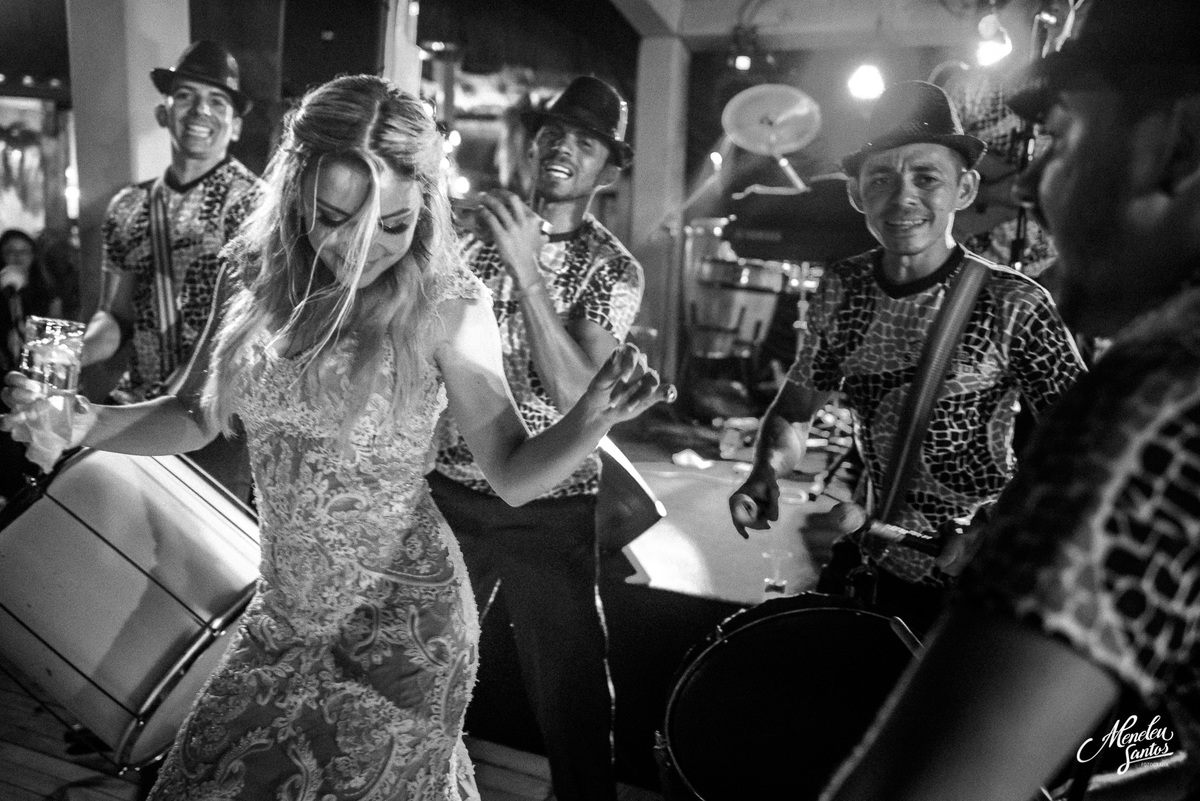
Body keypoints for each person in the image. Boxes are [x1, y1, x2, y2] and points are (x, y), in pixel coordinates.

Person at [2, 74, 670, 800]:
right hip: (281, 618)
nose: (360, 250)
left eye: (392, 225)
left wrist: (591, 415)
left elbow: (511, 469)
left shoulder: (446, 303)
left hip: (404, 632)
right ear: (294, 192)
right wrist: (83, 421)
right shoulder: (251, 277)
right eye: (333, 217)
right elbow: (195, 413)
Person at [821, 0, 1200, 798]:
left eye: (1060, 137)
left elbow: (919, 787)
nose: (1029, 179)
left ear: (1179, 144)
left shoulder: (1157, 400)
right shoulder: (846, 290)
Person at [728, 80, 1086, 636]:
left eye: (927, 177)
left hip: (983, 578)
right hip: (880, 559)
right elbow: (797, 409)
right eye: (880, 179)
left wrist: (996, 524)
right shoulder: (844, 288)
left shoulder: (1014, 302)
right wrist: (764, 471)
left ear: (965, 188)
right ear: (856, 195)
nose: (903, 199)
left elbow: (1083, 445)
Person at [428, 75, 641, 801]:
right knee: (425, 659)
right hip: (451, 486)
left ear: (608, 171)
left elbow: (578, 392)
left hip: (550, 499)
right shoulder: (462, 230)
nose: (562, 150)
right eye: (554, 133)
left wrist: (527, 270)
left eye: (585, 144)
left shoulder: (613, 268)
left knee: (571, 691)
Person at [79, 40, 262, 502]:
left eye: (217, 100)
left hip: (215, 422)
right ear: (164, 113)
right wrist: (70, 353)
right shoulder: (128, 207)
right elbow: (114, 318)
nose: (200, 110)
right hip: (134, 412)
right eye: (185, 95)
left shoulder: (260, 209)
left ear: (236, 126)